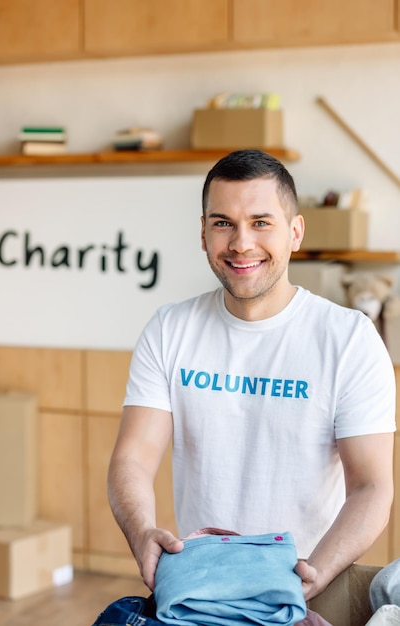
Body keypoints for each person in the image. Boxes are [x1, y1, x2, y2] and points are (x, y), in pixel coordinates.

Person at [108, 149, 396, 602]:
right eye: (223, 223)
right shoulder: (170, 329)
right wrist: (142, 531)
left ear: (295, 233)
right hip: (202, 582)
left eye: (261, 222)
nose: (241, 243)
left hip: (312, 579)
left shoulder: (349, 338)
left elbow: (372, 486)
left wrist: (313, 573)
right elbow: (133, 459)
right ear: (203, 234)